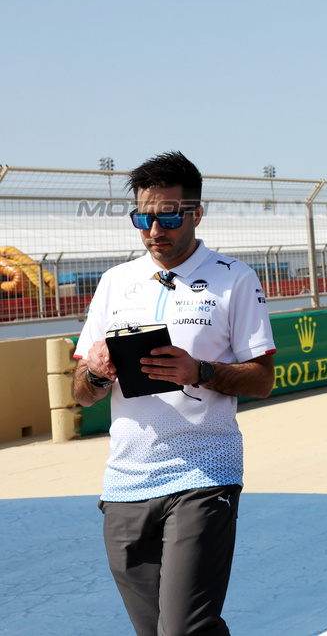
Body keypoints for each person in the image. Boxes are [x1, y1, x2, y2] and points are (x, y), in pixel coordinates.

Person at [71, 151, 276, 636]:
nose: (154, 229)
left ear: (195, 213)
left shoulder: (235, 278)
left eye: (167, 216)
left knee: (185, 629)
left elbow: (263, 380)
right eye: (143, 217)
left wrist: (200, 370)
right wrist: (97, 373)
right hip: (125, 483)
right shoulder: (114, 283)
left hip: (205, 473)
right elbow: (80, 394)